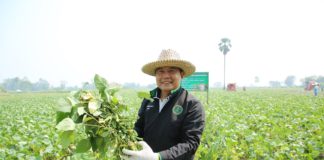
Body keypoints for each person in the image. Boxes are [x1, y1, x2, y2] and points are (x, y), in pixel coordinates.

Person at [122, 49, 205, 160]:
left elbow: (191, 144)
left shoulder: (192, 104)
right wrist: (124, 138)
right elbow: (138, 128)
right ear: (155, 75)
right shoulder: (148, 99)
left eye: (171, 71)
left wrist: (158, 157)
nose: (166, 76)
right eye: (160, 71)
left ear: (182, 74)